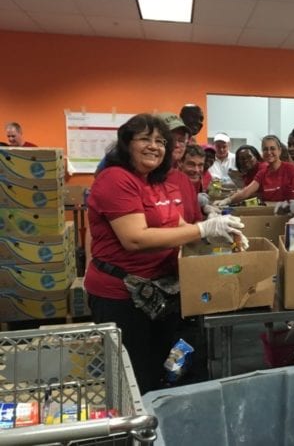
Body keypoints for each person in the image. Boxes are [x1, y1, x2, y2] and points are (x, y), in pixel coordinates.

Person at [85, 113, 246, 393]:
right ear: (126, 143)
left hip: (163, 291)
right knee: (134, 378)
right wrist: (203, 230)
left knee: (170, 369)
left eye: (160, 141)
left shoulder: (161, 181)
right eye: (145, 139)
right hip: (122, 297)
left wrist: (216, 234)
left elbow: (179, 227)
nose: (154, 146)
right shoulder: (115, 179)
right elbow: (135, 238)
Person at [215, 135, 294, 210]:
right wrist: (227, 200)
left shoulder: (290, 169)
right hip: (270, 212)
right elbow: (246, 192)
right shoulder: (262, 173)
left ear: (279, 151)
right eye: (265, 149)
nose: (269, 152)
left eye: (272, 148)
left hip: (289, 212)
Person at [158, 112, 202, 224]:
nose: (177, 145)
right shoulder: (140, 179)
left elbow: (196, 220)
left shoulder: (184, 180)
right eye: (170, 139)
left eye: (182, 140)